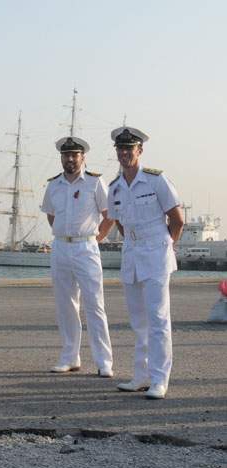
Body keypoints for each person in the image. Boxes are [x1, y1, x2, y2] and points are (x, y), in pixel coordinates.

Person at [107, 127, 183, 400]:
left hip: (156, 253)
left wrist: (166, 246)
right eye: (121, 149)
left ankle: (160, 379)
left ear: (140, 151)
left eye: (130, 149)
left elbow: (177, 219)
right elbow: (117, 219)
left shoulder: (156, 180)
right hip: (132, 254)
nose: (125, 153)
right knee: (138, 320)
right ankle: (141, 375)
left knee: (159, 319)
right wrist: (136, 243)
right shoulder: (115, 186)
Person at [40, 136, 114, 377]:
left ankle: (104, 361)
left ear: (83, 157)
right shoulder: (54, 185)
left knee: (95, 305)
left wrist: (96, 238)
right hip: (61, 247)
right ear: (61, 157)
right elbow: (51, 216)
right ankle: (70, 357)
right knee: (66, 305)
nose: (70, 159)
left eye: (74, 155)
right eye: (66, 155)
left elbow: (109, 214)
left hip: (86, 248)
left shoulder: (95, 182)